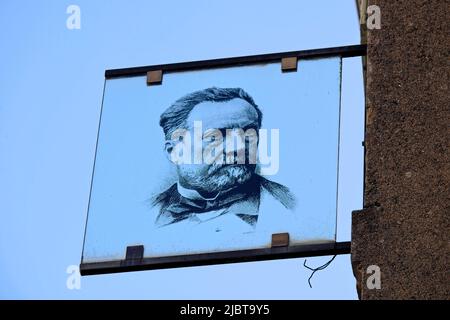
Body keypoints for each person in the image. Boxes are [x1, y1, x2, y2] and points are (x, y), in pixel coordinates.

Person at [151, 87, 296, 234]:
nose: (238, 146)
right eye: (215, 137)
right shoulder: (148, 213)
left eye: (248, 135)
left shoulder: (288, 204)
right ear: (173, 152)